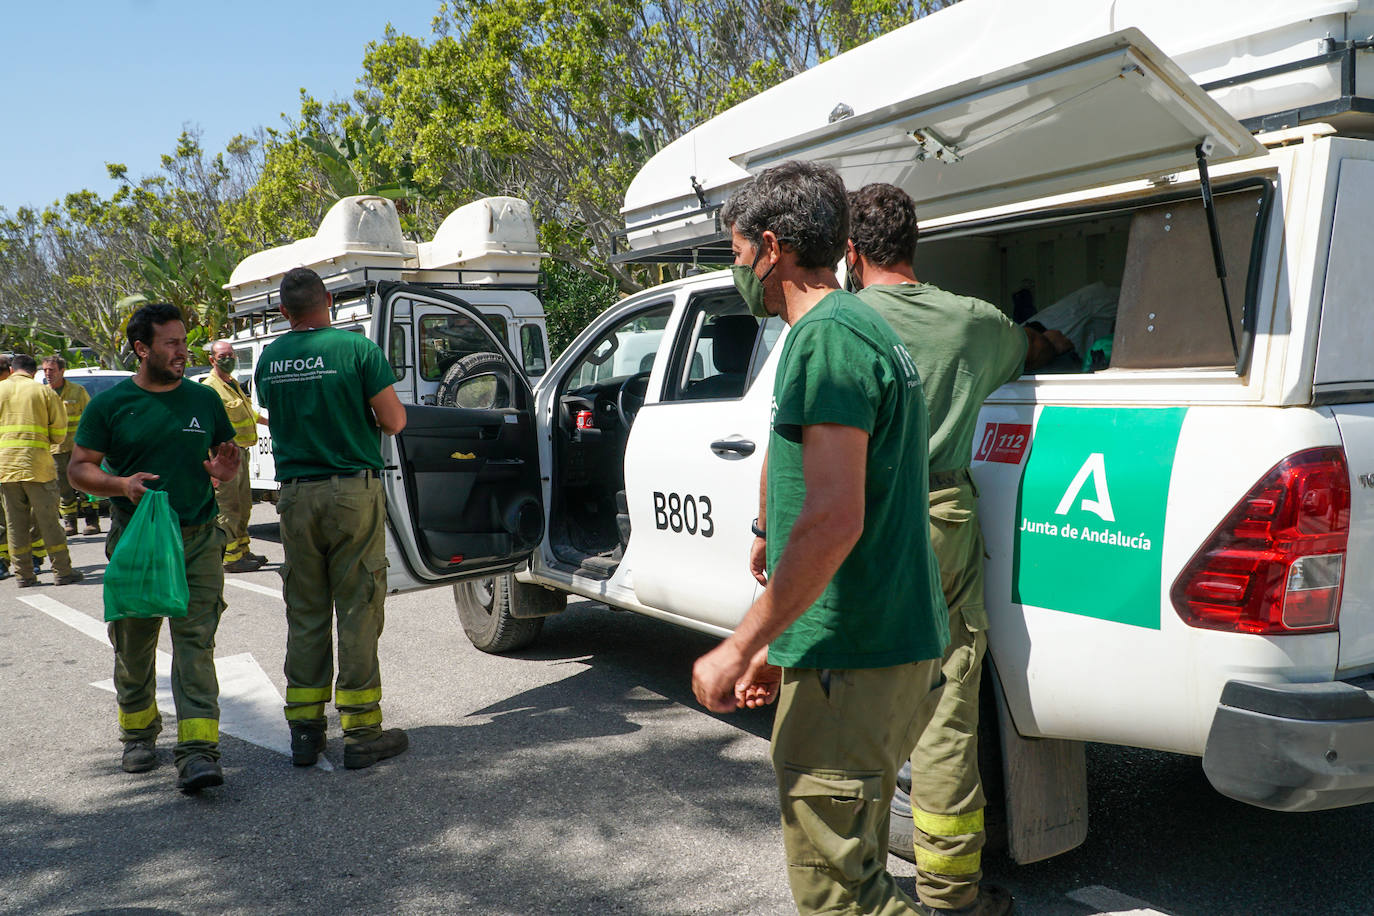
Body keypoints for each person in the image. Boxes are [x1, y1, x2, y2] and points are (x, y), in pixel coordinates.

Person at [691, 161, 949, 916]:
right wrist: (781, 648)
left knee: (841, 898)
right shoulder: (863, 326)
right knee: (858, 869)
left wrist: (739, 645)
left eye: (739, 253)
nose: (739, 270)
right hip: (868, 652)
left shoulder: (827, 339)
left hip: (857, 662)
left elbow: (835, 520)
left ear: (772, 247)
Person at [847, 182, 1058, 916]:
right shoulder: (973, 321)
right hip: (941, 518)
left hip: (860, 525)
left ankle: (860, 885)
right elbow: (1033, 348)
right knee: (946, 711)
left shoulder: (836, 323)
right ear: (914, 245)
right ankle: (949, 897)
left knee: (863, 710)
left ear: (851, 251)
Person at [69, 303, 239, 794]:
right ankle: (138, 734)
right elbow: (79, 468)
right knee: (134, 643)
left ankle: (198, 751)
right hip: (140, 540)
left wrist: (222, 474)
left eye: (184, 342)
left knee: (196, 643)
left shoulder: (203, 400)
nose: (183, 352)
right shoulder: (111, 406)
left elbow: (219, 460)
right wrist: (121, 485)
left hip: (199, 538)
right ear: (142, 349)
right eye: (171, 343)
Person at [254, 267, 409, 770]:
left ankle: (305, 730)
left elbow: (283, 414)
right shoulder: (357, 350)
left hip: (295, 498)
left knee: (306, 609)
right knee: (359, 604)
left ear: (283, 312)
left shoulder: (270, 359)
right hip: (350, 493)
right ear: (330, 302)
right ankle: (363, 732)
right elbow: (394, 420)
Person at [0, 354, 82, 588]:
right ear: (33, 371)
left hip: (6, 468)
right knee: (48, 522)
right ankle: (62, 571)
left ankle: (23, 575)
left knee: (14, 524)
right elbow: (58, 434)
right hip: (37, 467)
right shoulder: (43, 392)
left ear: (12, 369)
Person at [202, 340, 267, 572]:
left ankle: (243, 550)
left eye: (231, 354)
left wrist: (272, 421)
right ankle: (230, 558)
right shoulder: (210, 387)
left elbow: (248, 412)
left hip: (242, 453)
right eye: (222, 356)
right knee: (228, 507)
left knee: (244, 506)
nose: (228, 359)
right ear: (212, 360)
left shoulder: (233, 384)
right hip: (224, 455)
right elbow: (207, 428)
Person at [42, 356, 98, 536]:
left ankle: (92, 521)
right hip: (55, 450)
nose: (48, 374)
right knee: (63, 489)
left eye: (51, 370)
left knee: (85, 485)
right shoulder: (42, 393)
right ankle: (70, 523)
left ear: (61, 371)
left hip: (78, 449)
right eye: (45, 370)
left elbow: (90, 418)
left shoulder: (77, 392)